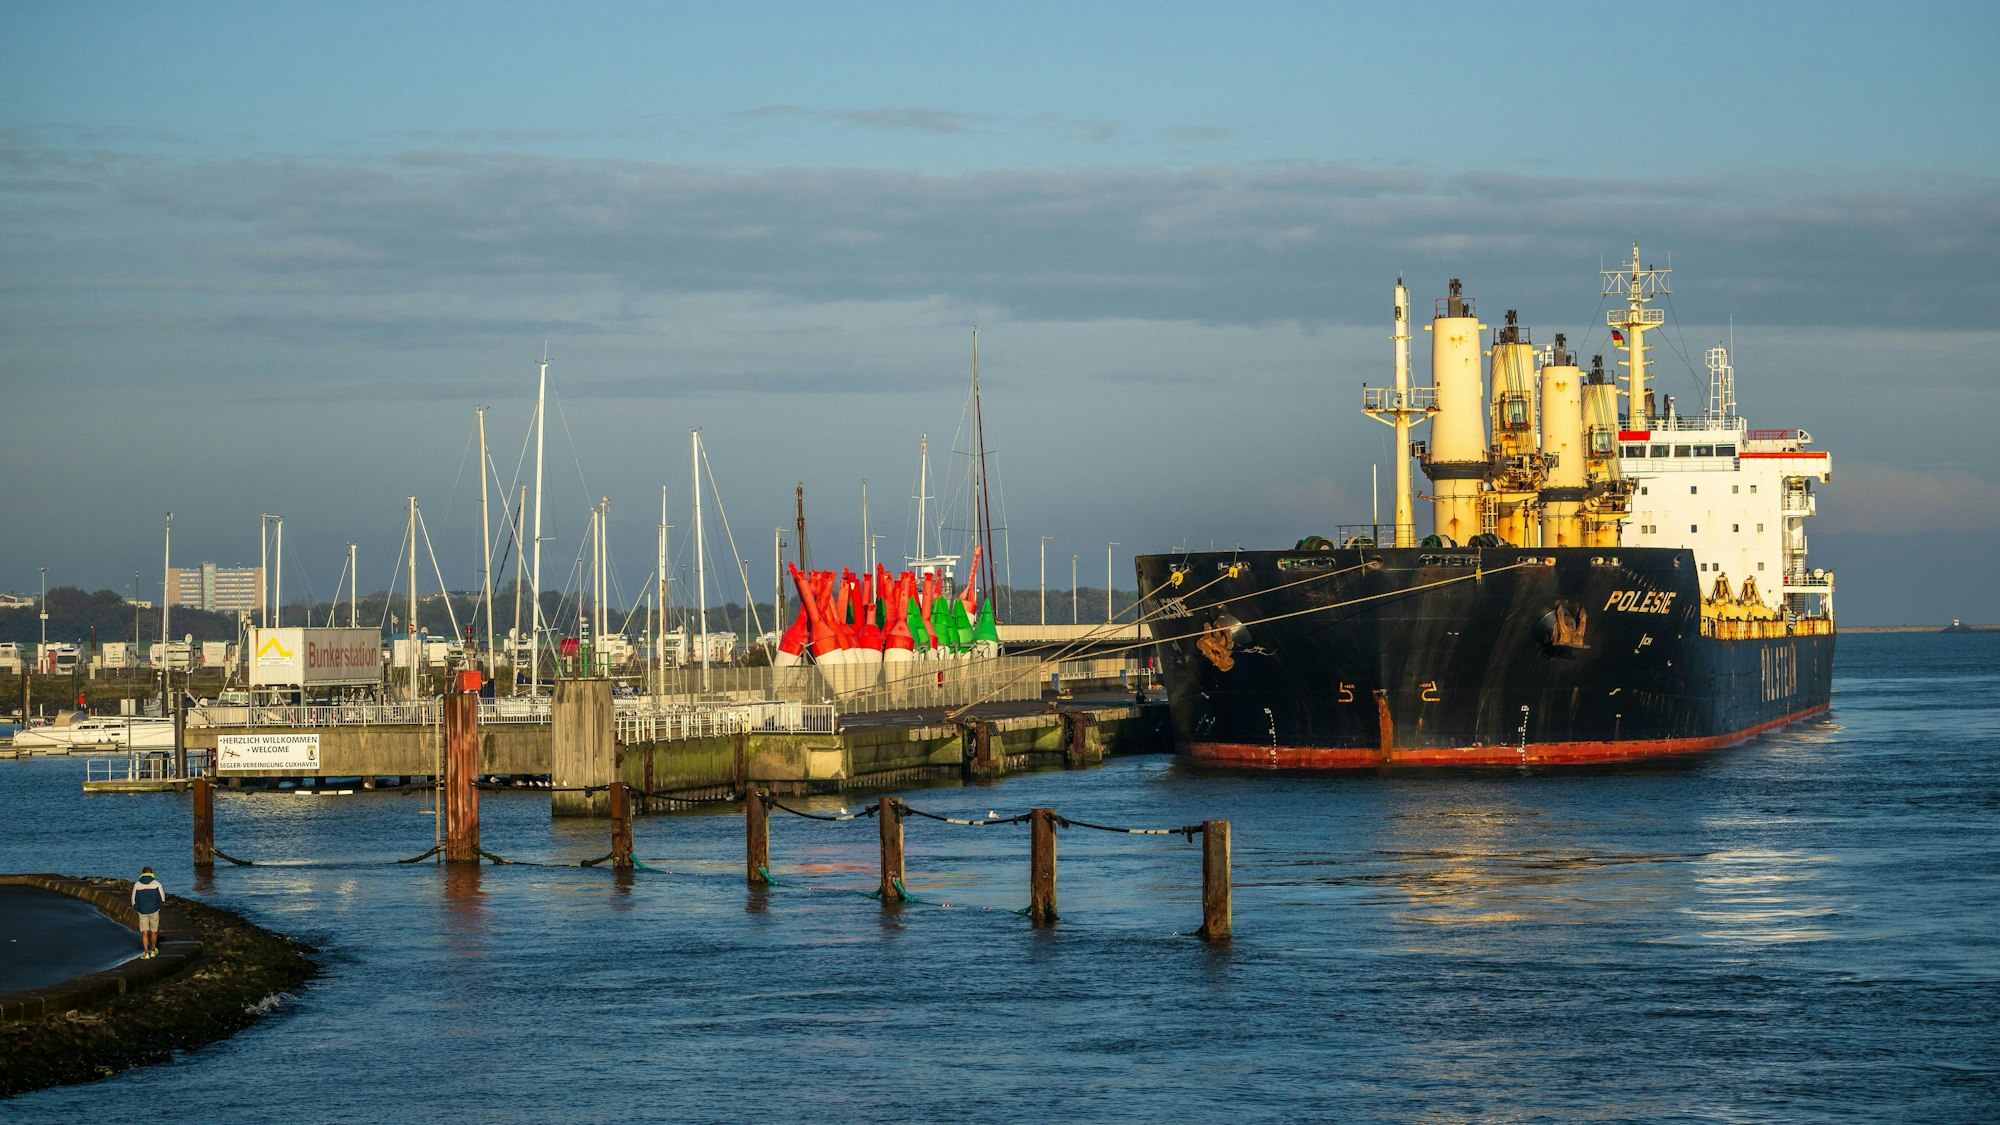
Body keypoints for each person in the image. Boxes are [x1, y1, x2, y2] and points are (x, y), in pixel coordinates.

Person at [130, 866, 168, 959]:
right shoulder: (157, 884)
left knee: (144, 932)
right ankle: (153, 951)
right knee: (154, 932)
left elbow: (133, 900)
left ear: (142, 873)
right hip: (154, 910)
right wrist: (158, 907)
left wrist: (138, 909)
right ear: (151, 873)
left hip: (142, 911)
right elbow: (162, 898)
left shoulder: (137, 884)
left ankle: (146, 953)